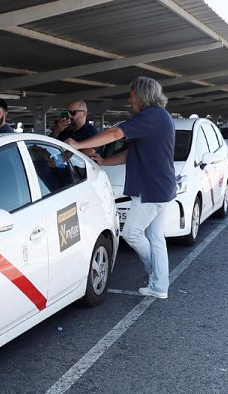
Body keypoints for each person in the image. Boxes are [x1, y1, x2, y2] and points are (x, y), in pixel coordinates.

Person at [68, 76, 176, 299]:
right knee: (155, 237)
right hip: (161, 187)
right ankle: (160, 286)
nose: (130, 100)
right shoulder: (160, 117)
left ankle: (154, 272)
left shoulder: (150, 117)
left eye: (132, 95)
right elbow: (133, 153)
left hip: (150, 189)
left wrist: (78, 145)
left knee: (131, 233)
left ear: (142, 95)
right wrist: (105, 162)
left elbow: (115, 133)